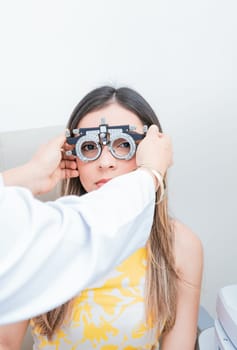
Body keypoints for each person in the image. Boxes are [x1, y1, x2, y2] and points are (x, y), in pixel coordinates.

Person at [0, 86, 202, 349]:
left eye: (123, 144)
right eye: (90, 146)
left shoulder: (181, 246)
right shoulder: (45, 236)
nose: (105, 161)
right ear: (73, 155)